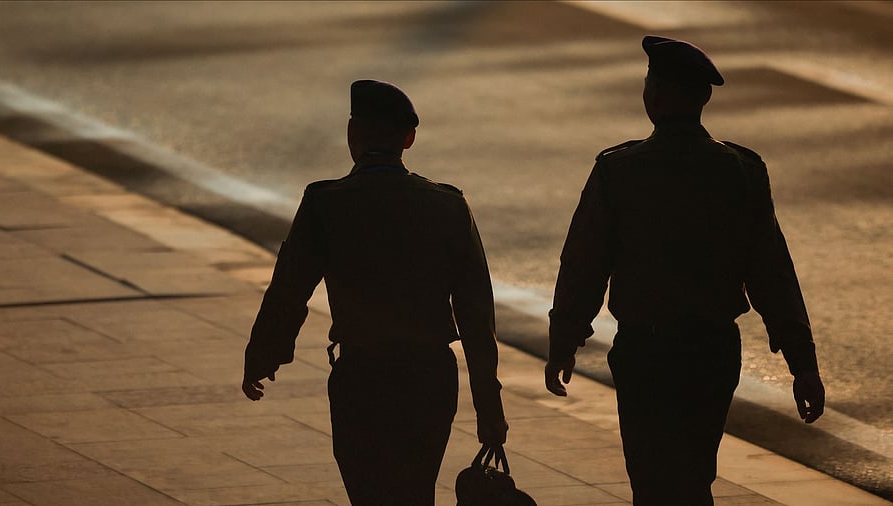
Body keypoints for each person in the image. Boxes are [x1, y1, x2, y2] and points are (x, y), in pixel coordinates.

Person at [545, 36, 825, 505]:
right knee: (696, 477)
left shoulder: (619, 170)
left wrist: (564, 341)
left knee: (651, 479)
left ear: (653, 96)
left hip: (645, 351)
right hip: (711, 350)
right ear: (704, 99)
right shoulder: (740, 170)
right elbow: (771, 272)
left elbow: (584, 264)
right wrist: (803, 363)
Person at [242, 79, 507, 506]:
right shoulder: (447, 205)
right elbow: (477, 314)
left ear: (352, 135)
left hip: (362, 377)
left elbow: (289, 289)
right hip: (430, 379)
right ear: (409, 138)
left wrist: (264, 353)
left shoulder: (325, 203)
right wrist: (489, 406)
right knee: (415, 491)